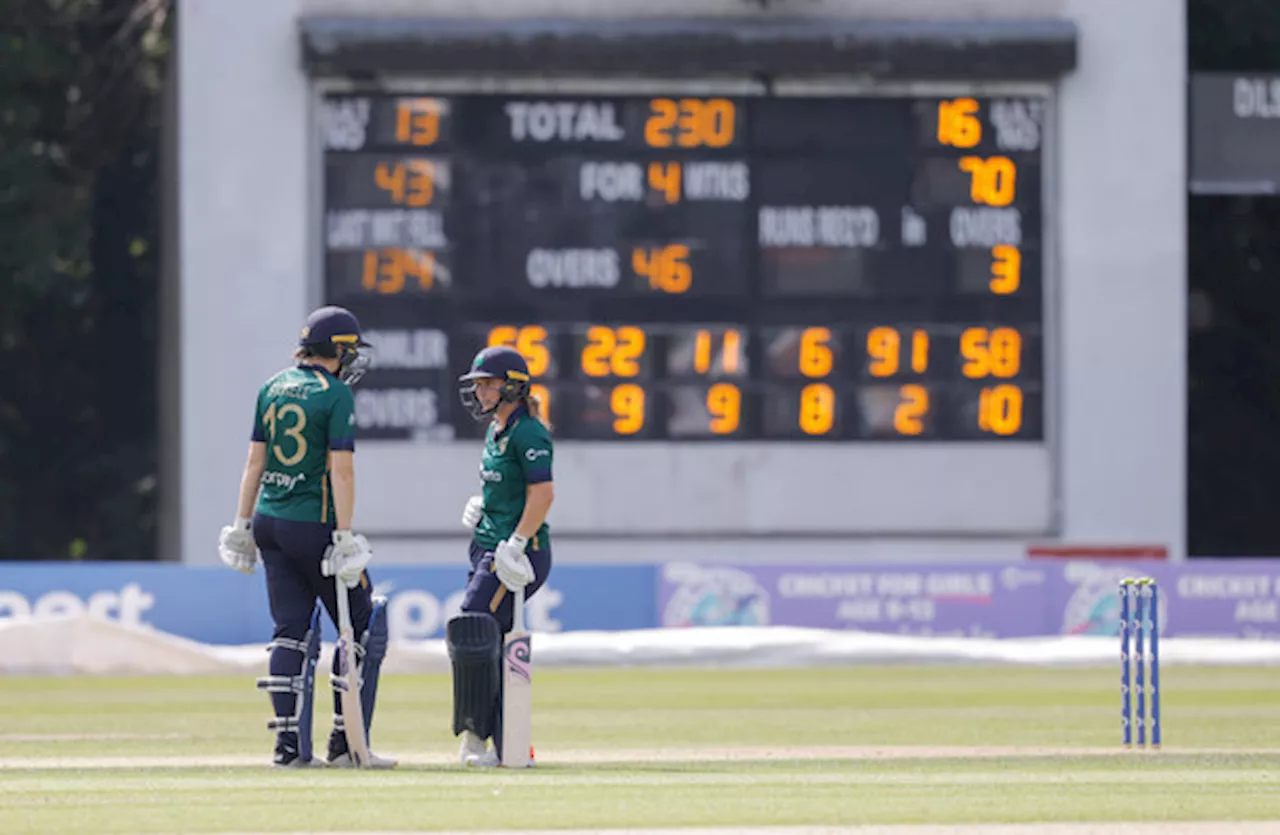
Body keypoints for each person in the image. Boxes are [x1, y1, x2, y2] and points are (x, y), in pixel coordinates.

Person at [216, 305, 396, 769]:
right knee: (361, 622)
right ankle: (346, 746)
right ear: (336, 350)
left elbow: (254, 463)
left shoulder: (271, 387)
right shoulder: (334, 395)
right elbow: (342, 469)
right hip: (311, 522)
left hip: (269, 522)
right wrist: (344, 534)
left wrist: (241, 524)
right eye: (349, 351)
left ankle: (289, 750)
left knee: (289, 633)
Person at [447, 345, 555, 768]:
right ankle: (508, 744)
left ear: (512, 386)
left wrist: (516, 541)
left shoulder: (529, 432)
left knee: (473, 624)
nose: (480, 392)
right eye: (477, 385)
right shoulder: (497, 430)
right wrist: (484, 504)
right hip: (487, 544)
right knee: (486, 642)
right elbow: (508, 489)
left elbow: (543, 494)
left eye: (488, 384)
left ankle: (481, 735)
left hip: (517, 555)